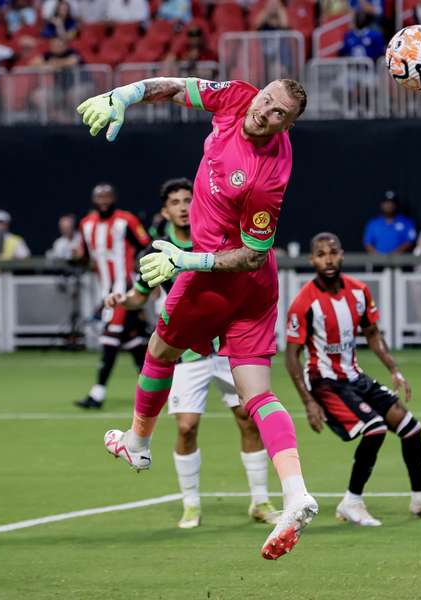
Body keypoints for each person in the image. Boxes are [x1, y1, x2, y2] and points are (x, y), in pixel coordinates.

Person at [76, 74, 316, 560]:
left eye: (277, 114)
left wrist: (189, 261)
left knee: (159, 350)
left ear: (287, 126)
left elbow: (250, 254)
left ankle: (138, 442)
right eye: (266, 99)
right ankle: (296, 494)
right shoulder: (239, 97)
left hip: (220, 275)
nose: (263, 110)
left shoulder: (266, 176)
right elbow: (172, 86)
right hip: (255, 288)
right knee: (257, 394)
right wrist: (124, 95)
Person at [106, 177, 279, 529]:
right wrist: (123, 300)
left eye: (188, 199)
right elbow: (142, 293)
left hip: (229, 347)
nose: (184, 207)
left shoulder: (216, 238)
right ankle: (190, 504)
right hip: (186, 354)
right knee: (186, 426)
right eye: (176, 202)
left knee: (248, 419)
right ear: (165, 210)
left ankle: (260, 501)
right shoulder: (159, 250)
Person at [285, 232, 421, 526]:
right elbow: (292, 356)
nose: (328, 259)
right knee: (375, 429)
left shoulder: (359, 292)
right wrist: (308, 402)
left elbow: (372, 335)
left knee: (411, 428)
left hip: (354, 377)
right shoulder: (304, 302)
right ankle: (351, 502)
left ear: (342, 254)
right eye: (320, 254)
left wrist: (394, 370)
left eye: (333, 252)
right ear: (311, 259)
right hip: (325, 382)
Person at [73, 183, 151, 409]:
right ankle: (153, 387)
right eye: (100, 197)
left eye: (108, 196)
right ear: (93, 200)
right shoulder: (86, 224)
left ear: (115, 197)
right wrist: (76, 257)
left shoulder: (126, 220)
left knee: (110, 336)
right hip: (105, 291)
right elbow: (85, 257)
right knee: (133, 340)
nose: (104, 200)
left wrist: (145, 278)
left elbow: (146, 247)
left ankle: (97, 394)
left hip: (125, 290)